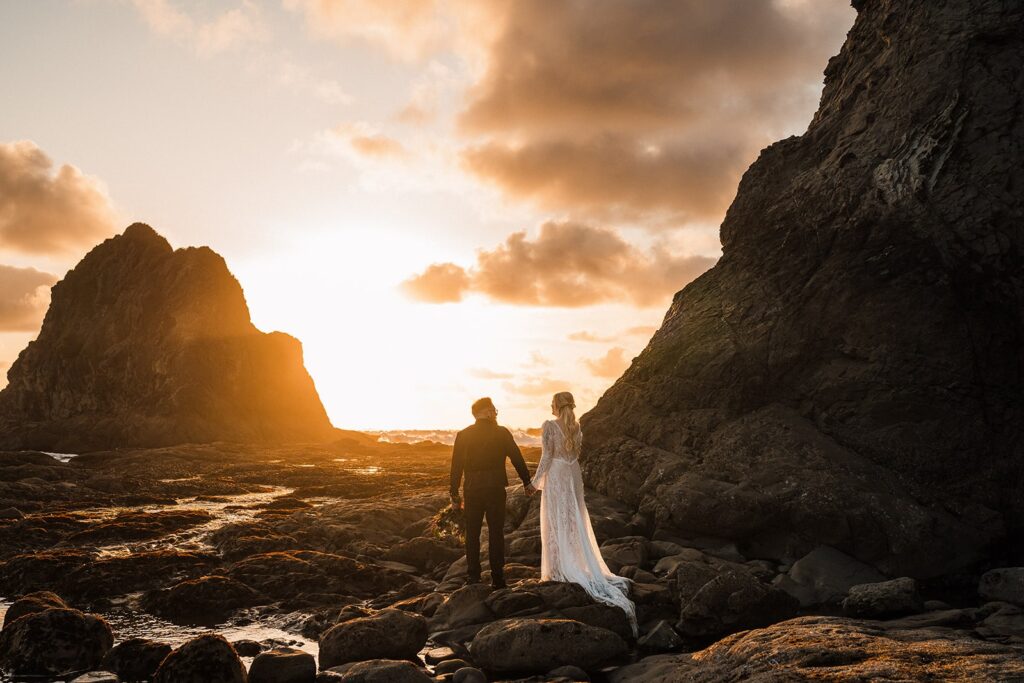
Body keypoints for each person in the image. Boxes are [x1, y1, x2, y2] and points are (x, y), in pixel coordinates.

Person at [531, 391, 637, 635]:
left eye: (552, 402)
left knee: (556, 518)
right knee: (573, 519)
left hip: (558, 473)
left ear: (556, 405)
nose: (550, 404)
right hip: (572, 472)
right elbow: (574, 455)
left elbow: (547, 456)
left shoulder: (549, 425)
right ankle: (575, 560)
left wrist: (535, 483)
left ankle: (559, 567)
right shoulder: (576, 427)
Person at [450, 397, 536, 589]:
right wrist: (526, 481)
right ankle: (498, 578)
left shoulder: (463, 434)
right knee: (496, 533)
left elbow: (456, 466)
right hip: (496, 488)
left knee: (472, 533)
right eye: (493, 410)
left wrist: (454, 493)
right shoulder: (501, 432)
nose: (495, 413)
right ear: (485, 411)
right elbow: (516, 457)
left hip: (472, 488)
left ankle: (473, 576)